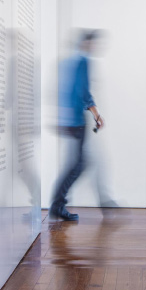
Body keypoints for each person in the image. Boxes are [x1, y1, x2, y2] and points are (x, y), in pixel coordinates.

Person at [50, 30, 104, 221]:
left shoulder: (66, 62)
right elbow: (83, 91)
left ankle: (57, 204)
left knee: (76, 163)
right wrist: (96, 114)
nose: (95, 47)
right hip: (76, 120)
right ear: (87, 43)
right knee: (79, 164)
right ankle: (57, 204)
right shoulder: (82, 61)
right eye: (94, 44)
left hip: (66, 119)